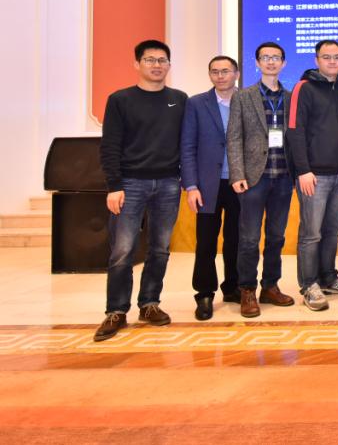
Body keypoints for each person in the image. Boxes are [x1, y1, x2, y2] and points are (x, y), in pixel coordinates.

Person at [95, 39, 188, 342]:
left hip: (168, 184)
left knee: (160, 249)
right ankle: (116, 310)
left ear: (169, 65)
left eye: (162, 60)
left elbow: (187, 143)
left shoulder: (179, 99)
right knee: (122, 251)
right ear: (137, 64)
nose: (156, 65)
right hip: (130, 184)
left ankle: (149, 304)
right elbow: (109, 146)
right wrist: (114, 186)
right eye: (150, 60)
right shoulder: (120, 100)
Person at [286, 39, 338, 313]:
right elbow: (295, 130)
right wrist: (303, 170)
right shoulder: (303, 88)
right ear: (317, 60)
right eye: (326, 57)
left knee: (332, 231)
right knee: (311, 234)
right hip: (313, 176)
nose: (332, 61)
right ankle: (308, 285)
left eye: (336, 56)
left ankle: (328, 277)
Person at [227, 41, 296, 318]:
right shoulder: (243, 96)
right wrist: (237, 174)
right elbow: (234, 137)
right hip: (254, 179)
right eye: (265, 57)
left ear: (283, 63)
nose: (271, 61)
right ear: (257, 63)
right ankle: (247, 290)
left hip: (284, 177)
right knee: (249, 238)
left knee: (276, 237)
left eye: (276, 57)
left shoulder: (291, 97)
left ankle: (270, 286)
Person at [180, 55, 241, 321]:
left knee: (236, 240)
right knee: (206, 242)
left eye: (225, 71)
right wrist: (191, 185)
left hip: (240, 183)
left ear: (236, 74)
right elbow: (187, 146)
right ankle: (204, 294)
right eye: (214, 71)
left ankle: (233, 287)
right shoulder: (196, 103)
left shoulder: (247, 100)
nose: (220, 76)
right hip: (207, 185)